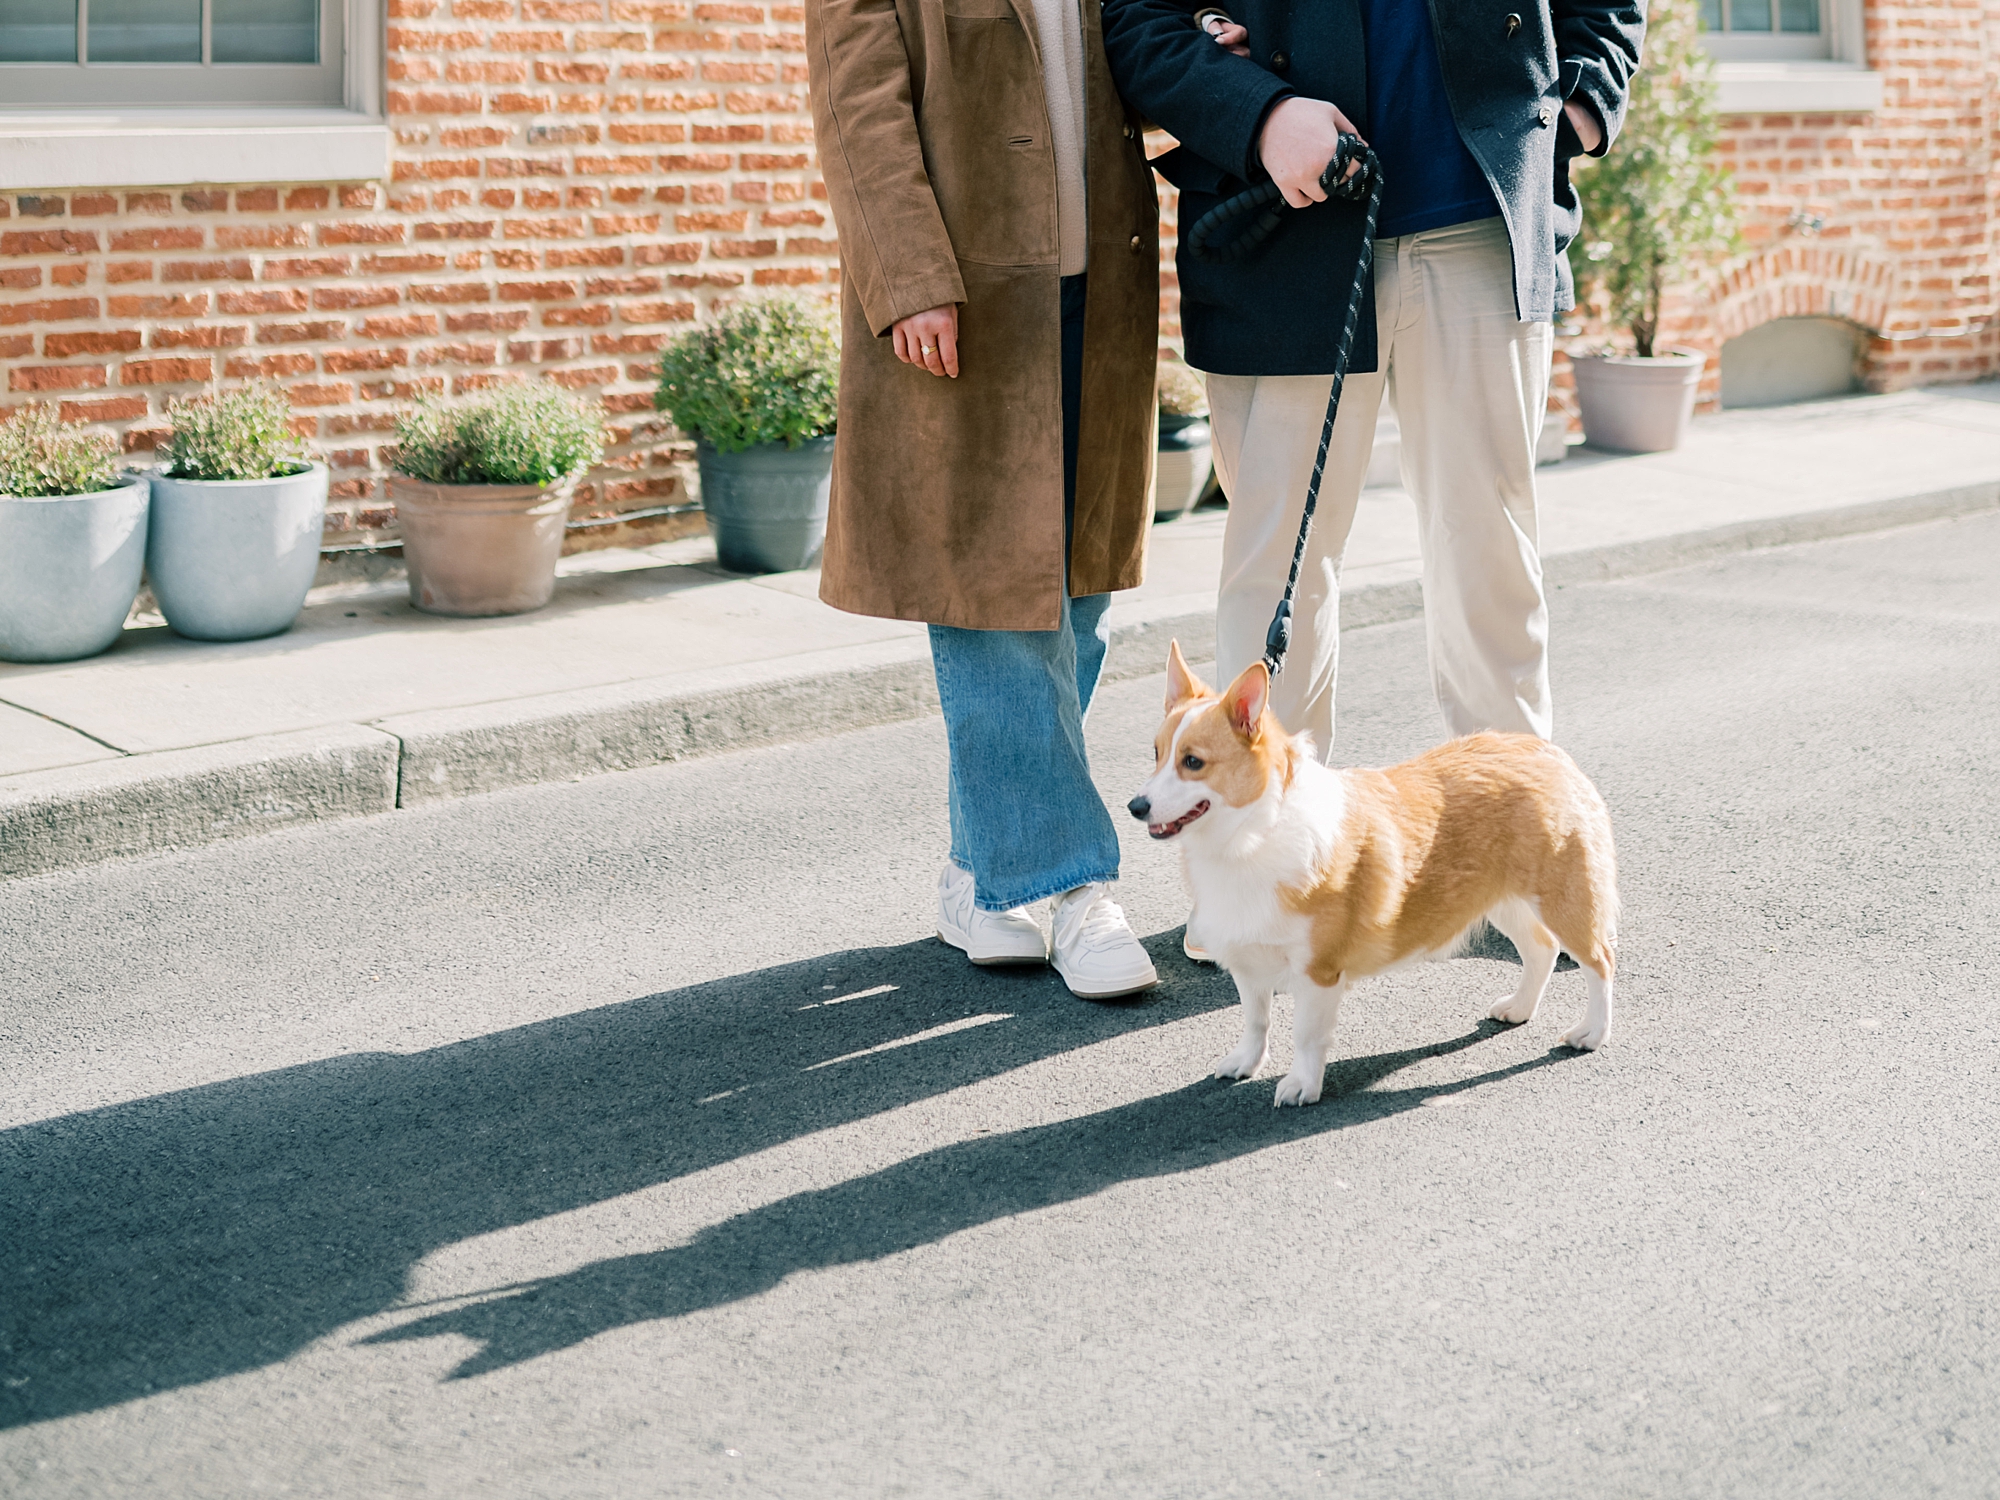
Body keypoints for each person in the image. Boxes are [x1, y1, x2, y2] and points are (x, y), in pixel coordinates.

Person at [1101, 0, 1645, 761]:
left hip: (1482, 211)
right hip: (1279, 230)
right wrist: (1259, 114)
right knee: (1276, 568)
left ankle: (1517, 843)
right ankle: (1271, 860)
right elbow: (1135, 17)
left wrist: (1584, 98)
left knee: (1488, 553)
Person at [807, 0, 1166, 997]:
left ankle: (981, 871)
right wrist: (909, 275)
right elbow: (854, 102)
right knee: (992, 600)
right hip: (962, 301)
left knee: (1075, 607)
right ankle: (1069, 883)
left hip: (1097, 293)